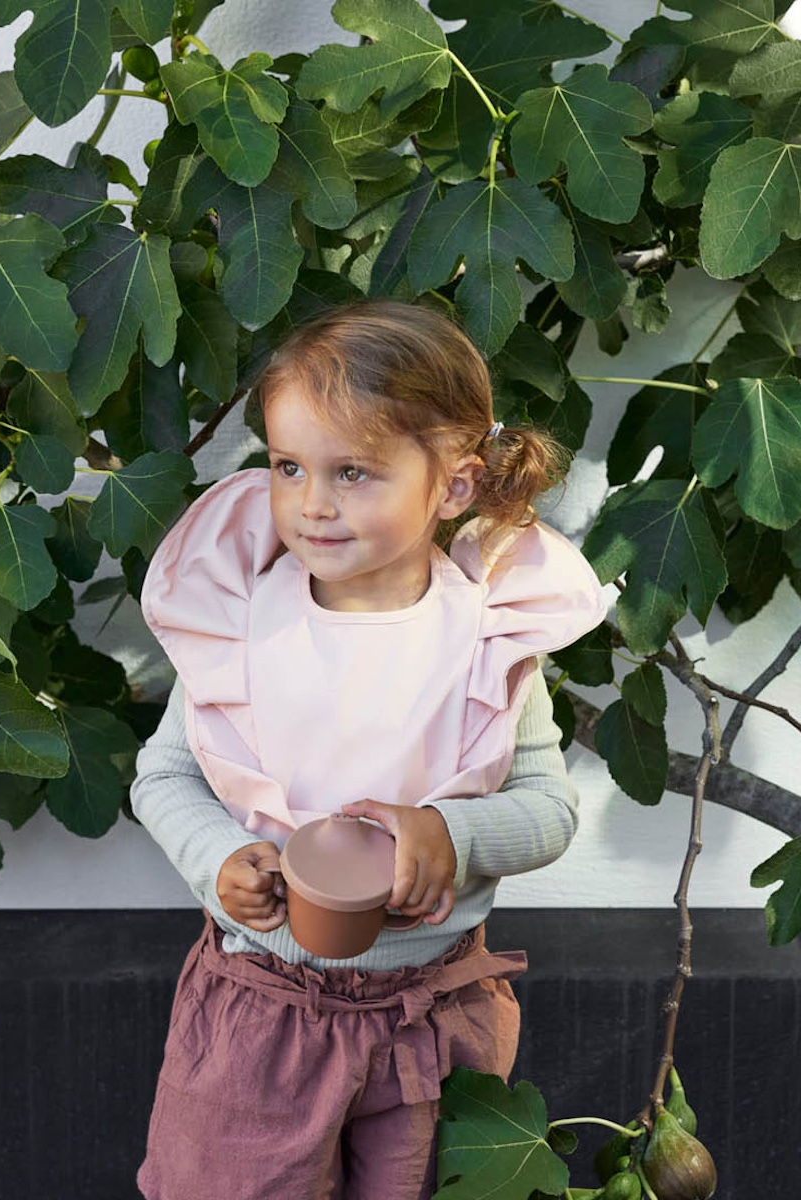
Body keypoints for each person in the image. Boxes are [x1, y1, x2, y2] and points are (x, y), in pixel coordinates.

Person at [131, 299, 607, 1200]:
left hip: (432, 1018)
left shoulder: (487, 637)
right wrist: (222, 856)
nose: (311, 504)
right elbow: (165, 776)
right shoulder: (242, 622)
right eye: (287, 466)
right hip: (261, 1008)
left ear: (455, 486)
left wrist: (450, 834)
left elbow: (549, 807)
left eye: (353, 472)